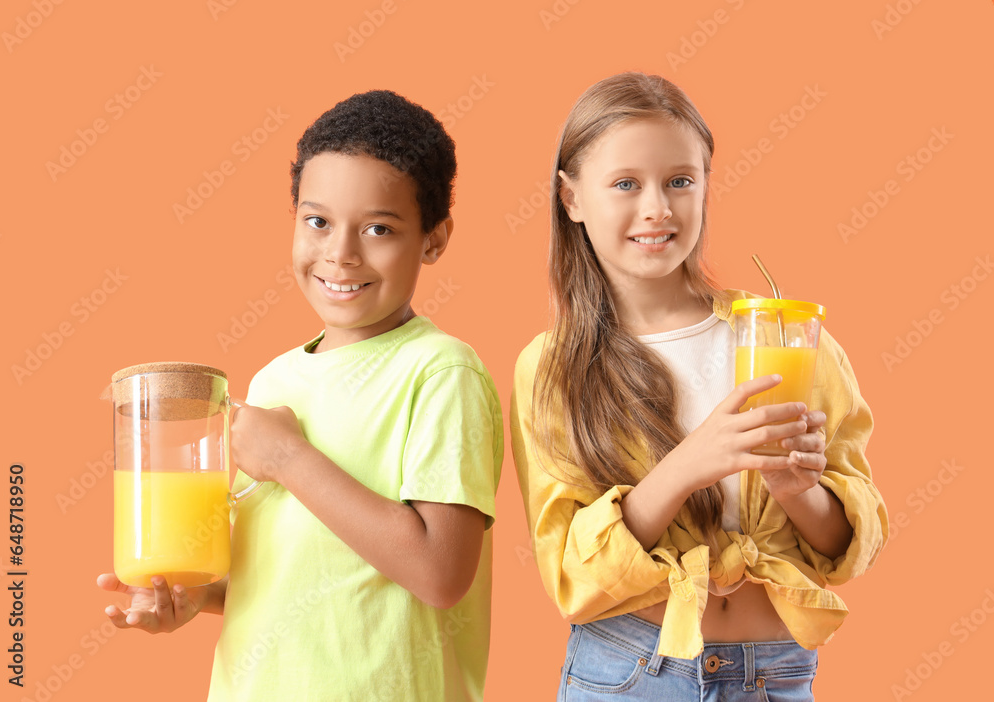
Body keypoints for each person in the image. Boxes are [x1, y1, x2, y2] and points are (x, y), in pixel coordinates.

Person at [98, 90, 503, 701]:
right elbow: (284, 572)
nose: (340, 253)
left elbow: (440, 573)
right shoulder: (272, 382)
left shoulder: (441, 372)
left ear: (434, 239)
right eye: (317, 221)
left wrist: (290, 460)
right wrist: (194, 597)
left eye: (379, 228)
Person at [510, 72, 887, 700]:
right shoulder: (554, 369)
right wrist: (688, 464)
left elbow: (851, 544)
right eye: (625, 184)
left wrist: (797, 492)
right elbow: (574, 576)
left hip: (776, 675)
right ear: (571, 199)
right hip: (629, 674)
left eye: (679, 181)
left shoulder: (787, 339)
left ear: (706, 186)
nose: (657, 207)